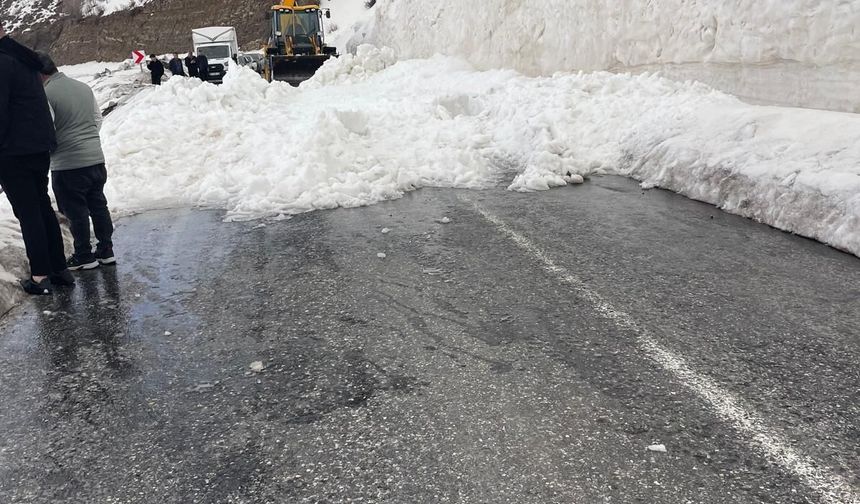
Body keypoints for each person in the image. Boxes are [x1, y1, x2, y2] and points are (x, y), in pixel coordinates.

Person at [0, 23, 74, 295]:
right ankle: (59, 269)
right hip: (38, 146)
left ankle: (40, 276)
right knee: (41, 206)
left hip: (13, 150)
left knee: (29, 212)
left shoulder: (2, 61)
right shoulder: (24, 57)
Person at [38, 52, 116, 271]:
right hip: (95, 158)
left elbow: (48, 129)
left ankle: (83, 255)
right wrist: (87, 141)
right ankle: (106, 250)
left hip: (68, 163)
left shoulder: (45, 94)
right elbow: (96, 119)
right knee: (98, 205)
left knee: (76, 211)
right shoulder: (83, 87)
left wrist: (50, 151)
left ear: (39, 74)